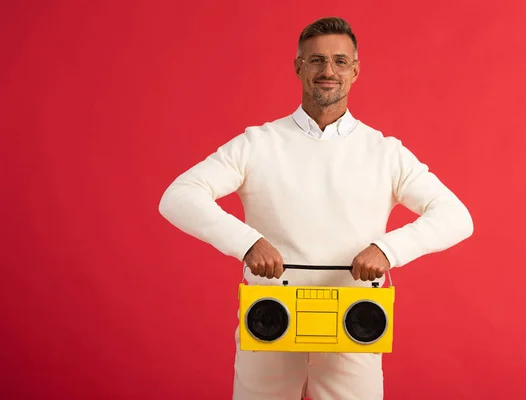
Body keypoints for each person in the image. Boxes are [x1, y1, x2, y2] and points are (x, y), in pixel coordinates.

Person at [158, 16, 474, 400]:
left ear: (355, 71)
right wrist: (246, 242)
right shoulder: (258, 143)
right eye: (316, 60)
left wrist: (389, 250)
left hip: (354, 321)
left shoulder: (385, 152)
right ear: (298, 67)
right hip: (270, 317)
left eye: (340, 61)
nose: (329, 71)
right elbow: (179, 195)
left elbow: (456, 216)